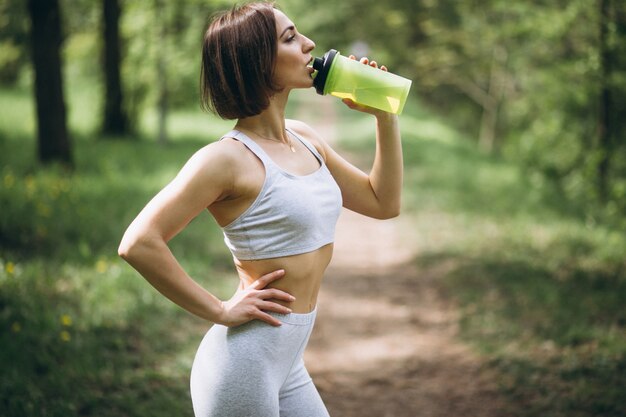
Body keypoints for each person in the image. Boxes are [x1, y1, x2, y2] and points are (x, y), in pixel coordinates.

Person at [118, 2, 402, 416]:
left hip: (287, 365)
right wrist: (219, 309)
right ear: (255, 63)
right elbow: (138, 242)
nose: (309, 45)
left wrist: (384, 114)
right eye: (290, 38)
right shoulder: (225, 159)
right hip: (243, 367)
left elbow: (383, 202)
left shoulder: (305, 138)